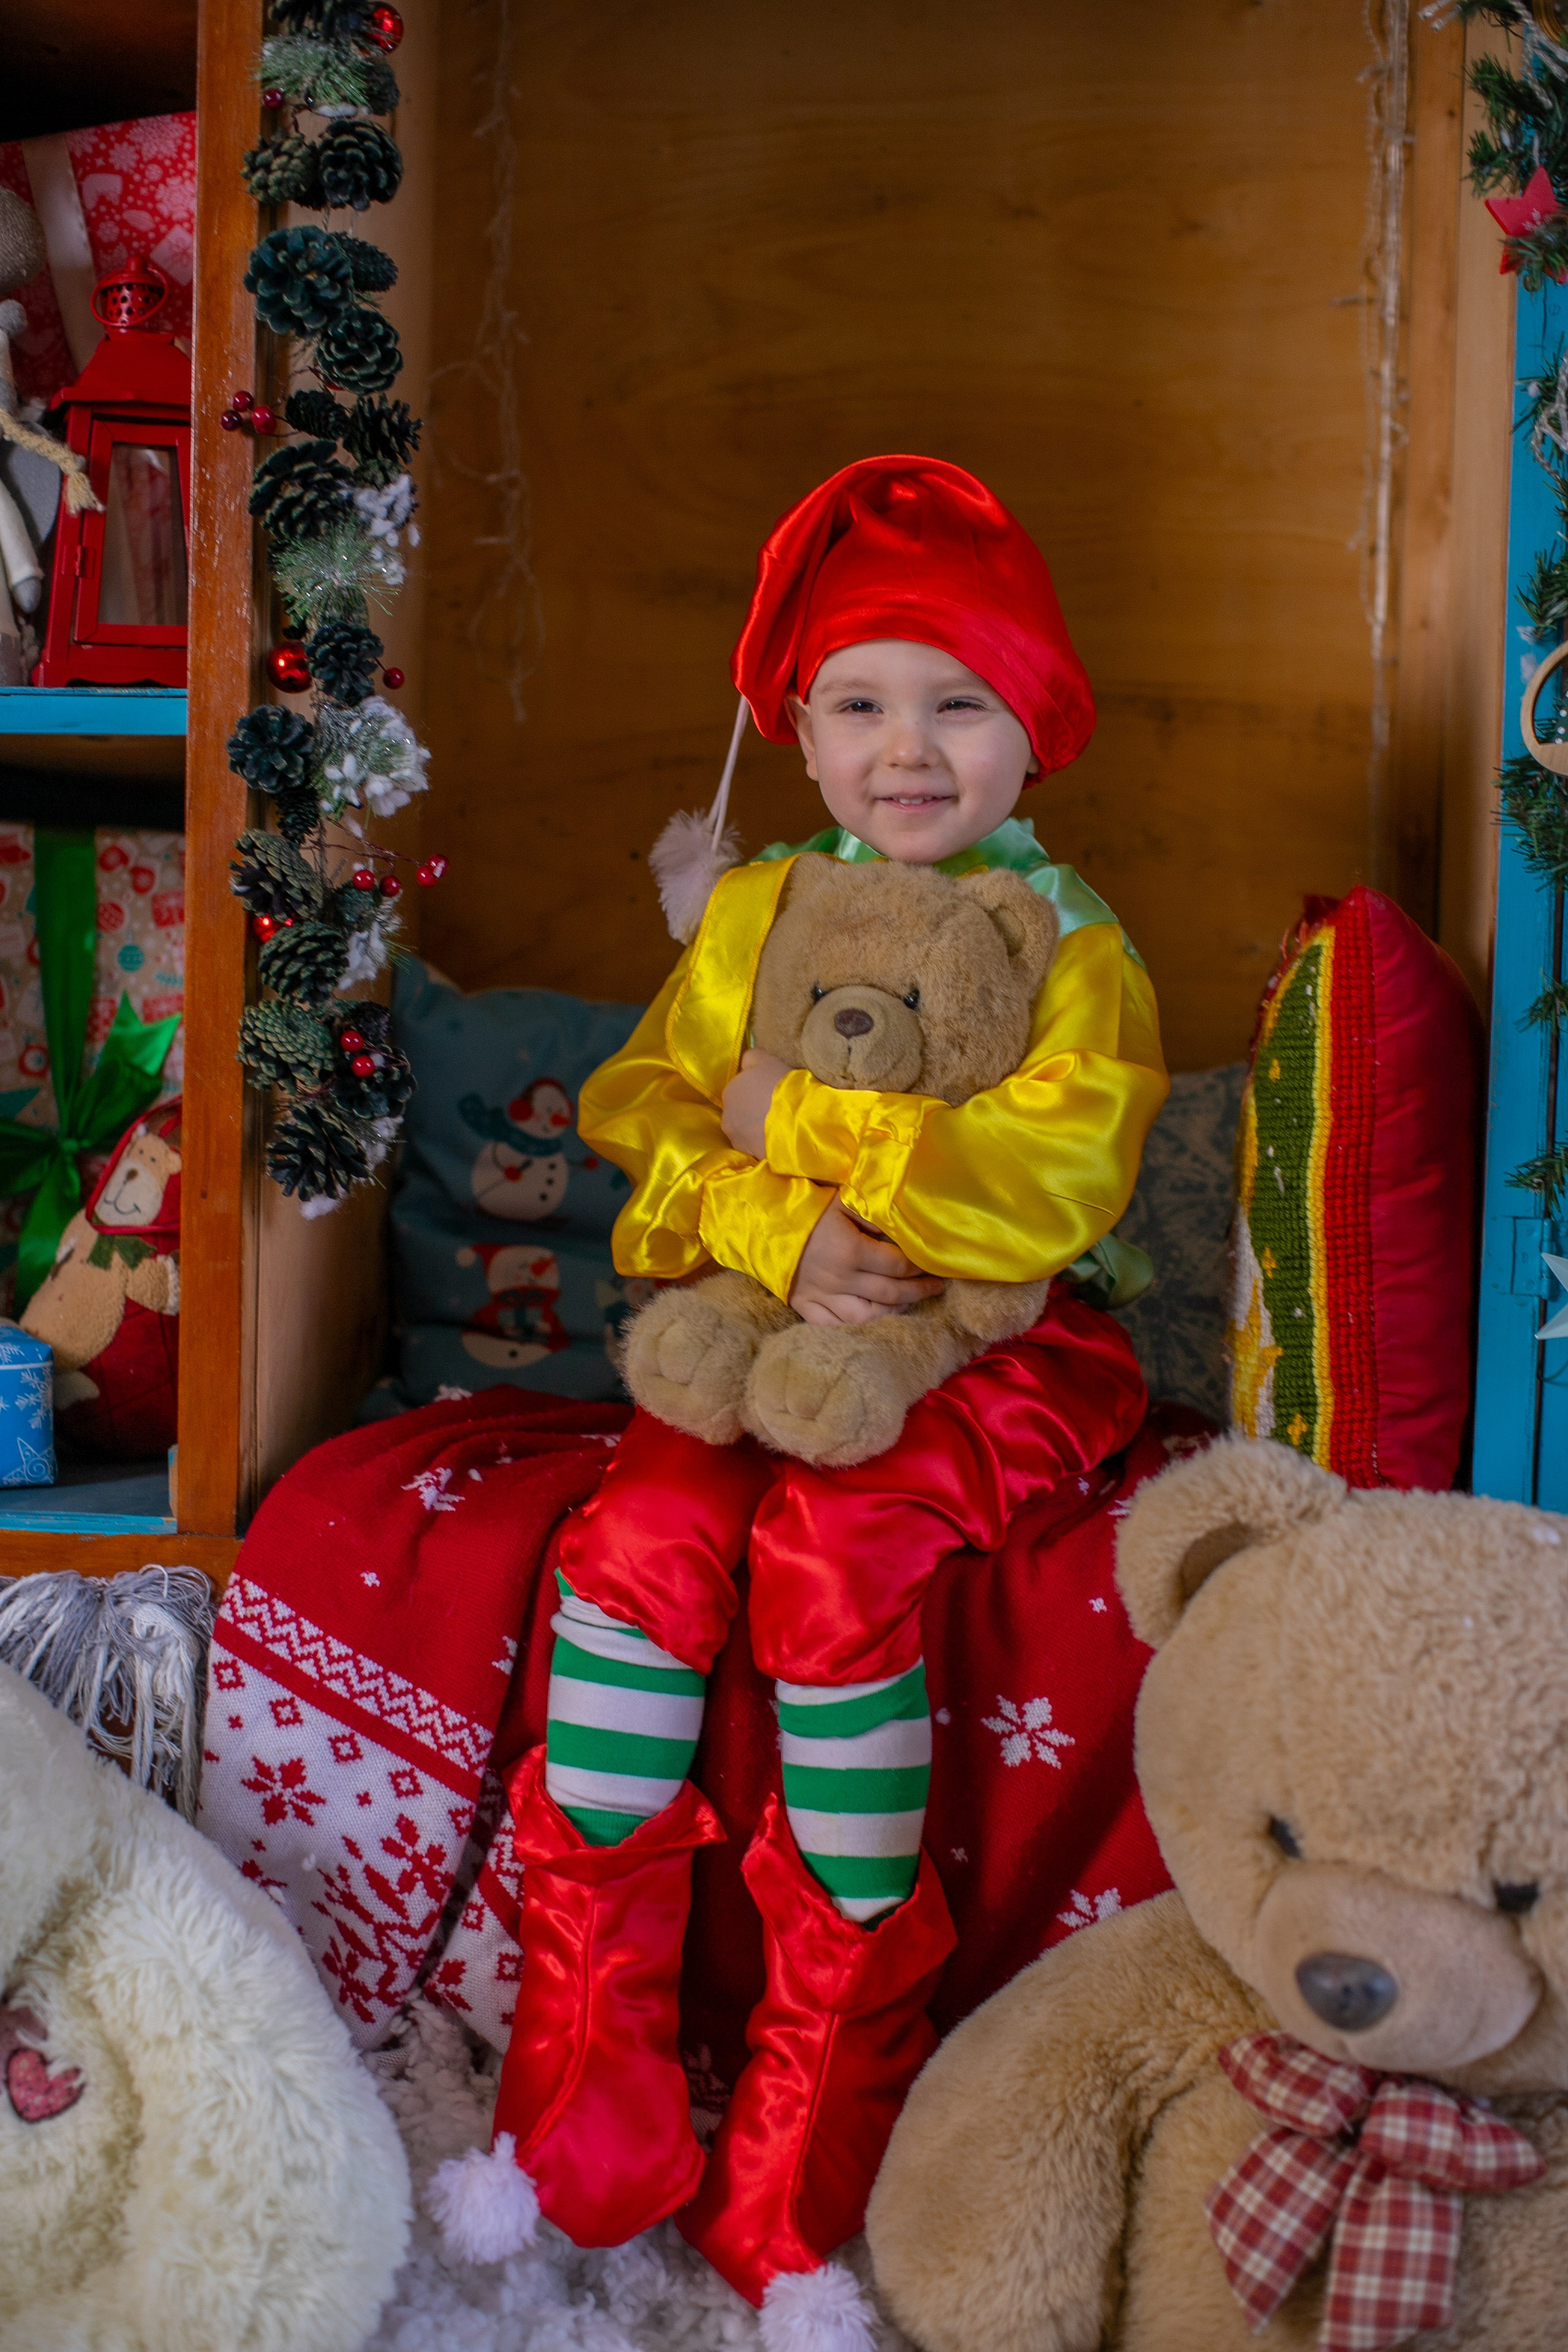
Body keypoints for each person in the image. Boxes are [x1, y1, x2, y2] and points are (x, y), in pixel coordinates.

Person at [477, 457, 1167, 2338]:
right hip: (766, 1303)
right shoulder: (759, 908)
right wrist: (777, 1221)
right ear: (798, 731)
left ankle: (825, 2082)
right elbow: (647, 1106)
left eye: (960, 703)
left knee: (834, 1556)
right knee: (639, 1536)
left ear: (1037, 725)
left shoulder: (1074, 946)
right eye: (860, 705)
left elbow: (1042, 1181)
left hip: (993, 1339)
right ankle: (588, 2039)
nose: (908, 750)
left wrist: (802, 1120)